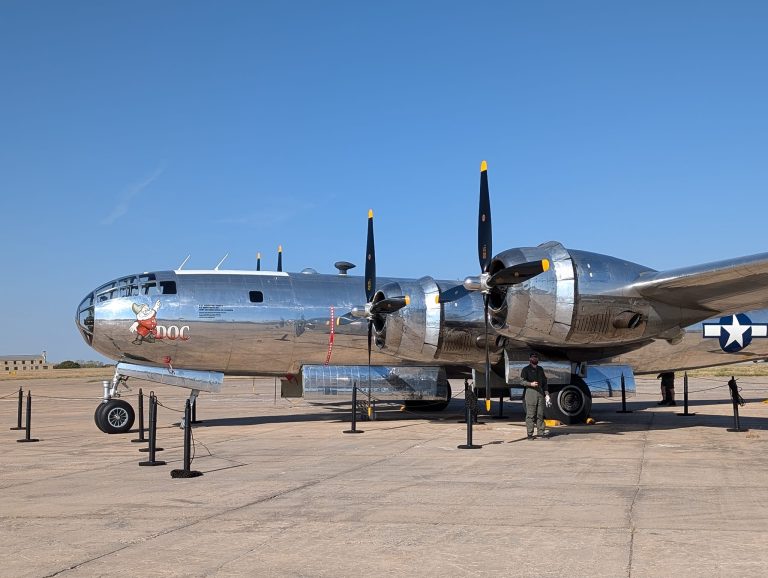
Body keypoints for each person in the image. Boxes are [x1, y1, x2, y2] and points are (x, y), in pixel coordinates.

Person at [520, 352, 550, 439]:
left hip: (540, 394)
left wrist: (547, 394)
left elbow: (544, 382)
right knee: (530, 415)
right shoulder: (526, 369)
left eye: (536, 357)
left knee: (540, 414)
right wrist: (530, 384)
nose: (535, 359)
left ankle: (541, 432)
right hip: (531, 394)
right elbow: (522, 381)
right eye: (533, 357)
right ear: (530, 359)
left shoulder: (540, 369)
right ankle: (530, 434)